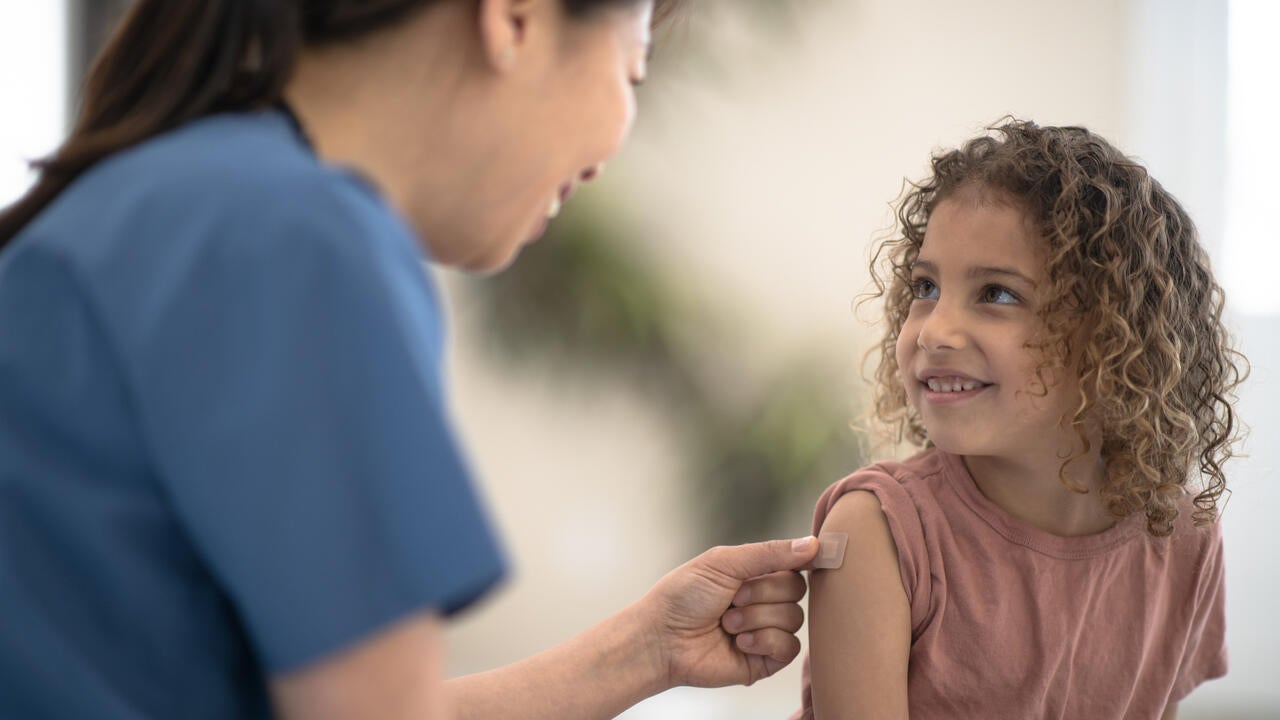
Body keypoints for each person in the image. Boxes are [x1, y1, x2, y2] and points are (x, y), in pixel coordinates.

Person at [0, 1, 822, 718]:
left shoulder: (160, 198)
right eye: (631, 73)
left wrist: (645, 650)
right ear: (515, 18)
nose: (608, 152)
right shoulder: (299, 239)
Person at [794, 119, 1246, 719]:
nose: (932, 330)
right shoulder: (878, 533)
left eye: (996, 294)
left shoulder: (1183, 532)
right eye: (925, 286)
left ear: (1112, 336)